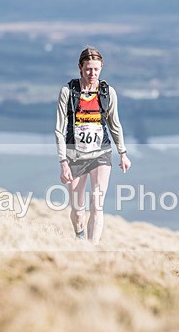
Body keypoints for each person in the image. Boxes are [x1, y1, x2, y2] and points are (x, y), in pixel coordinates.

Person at [55, 47, 131, 244]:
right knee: (78, 210)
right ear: (80, 67)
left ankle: (92, 249)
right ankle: (79, 238)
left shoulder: (107, 93)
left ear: (101, 68)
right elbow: (59, 129)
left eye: (96, 69)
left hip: (101, 153)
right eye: (88, 69)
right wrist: (63, 161)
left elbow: (115, 124)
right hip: (75, 154)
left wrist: (123, 153)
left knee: (97, 205)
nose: (92, 74)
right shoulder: (68, 92)